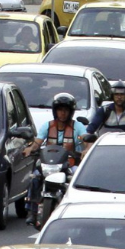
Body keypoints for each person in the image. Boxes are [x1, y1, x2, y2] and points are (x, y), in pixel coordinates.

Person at [23, 92, 88, 225]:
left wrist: (87, 149)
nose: (62, 113)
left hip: (70, 164)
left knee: (76, 178)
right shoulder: (47, 126)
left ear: (71, 112)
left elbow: (87, 140)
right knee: (35, 177)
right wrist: (30, 149)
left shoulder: (78, 127)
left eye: (66, 110)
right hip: (49, 163)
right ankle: (32, 211)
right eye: (60, 110)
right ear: (55, 111)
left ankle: (76, 207)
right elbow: (37, 143)